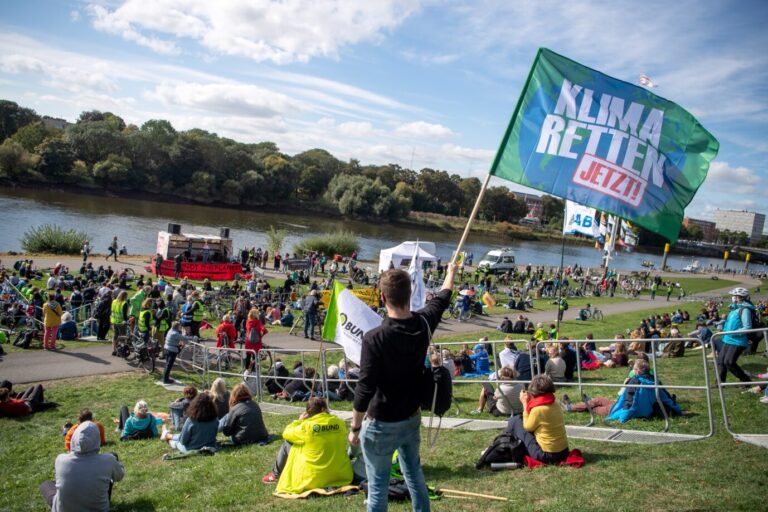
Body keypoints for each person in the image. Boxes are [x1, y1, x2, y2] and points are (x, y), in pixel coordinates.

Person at [349, 263, 456, 512]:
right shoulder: (424, 324)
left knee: (377, 487)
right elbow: (443, 297)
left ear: (382, 296)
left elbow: (365, 388)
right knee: (415, 476)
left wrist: (355, 427)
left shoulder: (374, 338)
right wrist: (451, 272)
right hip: (410, 417)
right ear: (410, 294)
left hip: (381, 423)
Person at [262, 397, 352, 495]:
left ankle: (275, 474)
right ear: (323, 409)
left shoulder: (306, 427)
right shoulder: (339, 423)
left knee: (288, 442)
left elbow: (286, 433)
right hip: (339, 475)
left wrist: (299, 421)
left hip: (312, 479)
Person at [40, 422, 125, 512]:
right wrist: (118, 466)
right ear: (97, 438)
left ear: (74, 438)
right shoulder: (108, 460)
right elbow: (120, 476)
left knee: (46, 485)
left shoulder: (61, 459)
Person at [507, 374, 569, 465]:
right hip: (564, 451)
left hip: (547, 455)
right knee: (518, 420)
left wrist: (524, 403)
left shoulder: (538, 410)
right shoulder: (555, 404)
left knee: (515, 421)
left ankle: (506, 446)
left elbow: (528, 427)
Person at [717, 287, 755, 383]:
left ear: (739, 297)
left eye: (734, 296)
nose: (733, 298)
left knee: (729, 362)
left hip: (737, 340)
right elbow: (732, 324)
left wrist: (733, 332)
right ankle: (719, 383)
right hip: (727, 338)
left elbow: (747, 327)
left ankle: (745, 380)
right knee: (721, 361)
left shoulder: (745, 310)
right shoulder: (734, 309)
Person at [110, 290, 129, 356]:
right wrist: (127, 320)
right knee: (122, 337)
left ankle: (114, 350)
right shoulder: (124, 303)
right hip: (121, 322)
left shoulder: (114, 301)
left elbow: (112, 310)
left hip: (114, 321)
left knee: (115, 336)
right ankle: (120, 351)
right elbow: (124, 315)